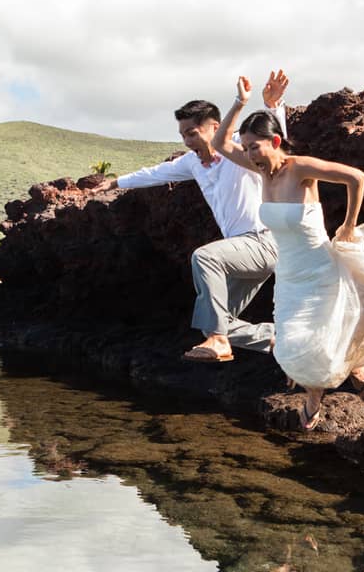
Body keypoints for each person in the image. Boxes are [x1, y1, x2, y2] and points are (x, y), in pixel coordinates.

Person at [210, 75, 364, 429]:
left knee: (320, 335)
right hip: (288, 273)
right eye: (246, 148)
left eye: (255, 146)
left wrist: (350, 225)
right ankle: (344, 369)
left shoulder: (300, 168)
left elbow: (357, 177)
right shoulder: (260, 171)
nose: (249, 154)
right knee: (289, 343)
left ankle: (318, 394)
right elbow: (218, 142)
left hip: (319, 268)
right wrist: (241, 102)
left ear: (275, 142)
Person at [105, 72, 290, 362]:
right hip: (241, 251)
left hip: (264, 241)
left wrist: (273, 106)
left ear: (214, 128)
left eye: (192, 133)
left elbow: (274, 147)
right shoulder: (192, 163)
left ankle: (218, 341)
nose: (187, 140)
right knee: (212, 319)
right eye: (182, 135)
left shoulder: (240, 148)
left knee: (205, 258)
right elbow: (154, 174)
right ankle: (283, 339)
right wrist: (115, 183)